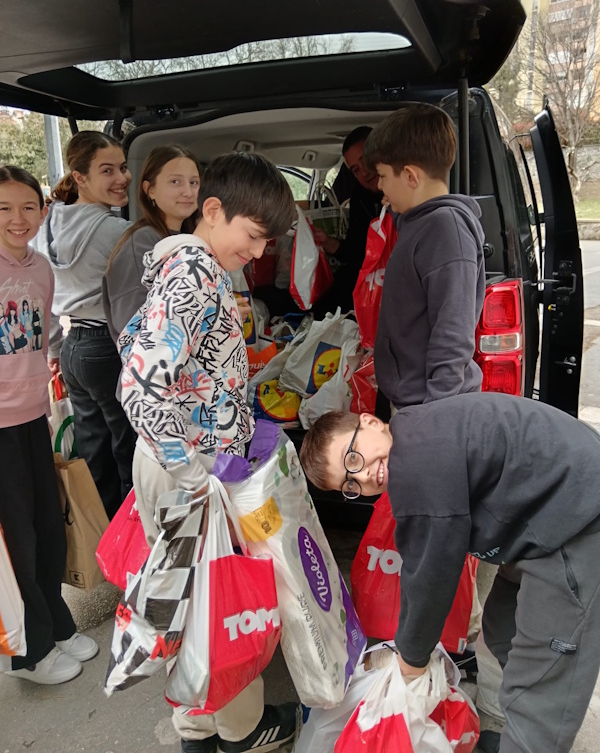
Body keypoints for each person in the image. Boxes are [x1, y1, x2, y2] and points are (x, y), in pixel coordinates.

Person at [119, 151, 300, 753]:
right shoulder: (194, 273)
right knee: (217, 601)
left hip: (186, 462)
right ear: (214, 210)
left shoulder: (189, 266)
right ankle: (239, 729)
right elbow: (139, 384)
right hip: (188, 470)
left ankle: (196, 727)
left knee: (190, 603)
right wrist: (191, 471)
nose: (258, 252)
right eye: (254, 236)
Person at [300, 394, 600, 753]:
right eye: (350, 484)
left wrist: (410, 662)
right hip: (542, 515)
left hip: (577, 518)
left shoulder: (417, 463)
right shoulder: (413, 437)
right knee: (502, 627)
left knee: (539, 687)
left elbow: (431, 577)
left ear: (371, 422)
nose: (363, 476)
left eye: (353, 458)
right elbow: (423, 561)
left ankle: (534, 727)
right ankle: (531, 716)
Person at [0, 165, 98, 685]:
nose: (17, 219)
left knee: (45, 530)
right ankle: (29, 652)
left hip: (33, 412)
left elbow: (42, 336)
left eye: (27, 207)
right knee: (15, 539)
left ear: (43, 212)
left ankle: (56, 623)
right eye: (3, 209)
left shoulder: (40, 267)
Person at [34, 130, 137, 518]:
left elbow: (43, 295)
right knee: (129, 444)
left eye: (123, 167)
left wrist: (54, 349)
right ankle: (132, 533)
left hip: (73, 346)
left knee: (94, 446)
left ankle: (100, 529)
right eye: (107, 170)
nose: (121, 178)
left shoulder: (46, 226)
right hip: (109, 346)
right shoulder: (117, 232)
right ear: (79, 177)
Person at [363, 104, 485, 409]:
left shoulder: (446, 230)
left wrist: (435, 415)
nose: (379, 186)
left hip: (431, 405)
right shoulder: (419, 223)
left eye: (382, 176)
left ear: (410, 176)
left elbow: (453, 332)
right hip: (412, 399)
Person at [103, 144, 201, 343]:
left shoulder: (189, 239)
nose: (188, 192)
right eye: (175, 182)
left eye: (194, 182)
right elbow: (132, 327)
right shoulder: (143, 242)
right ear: (150, 190)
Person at [311, 126, 382, 316]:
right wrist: (327, 242)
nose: (364, 172)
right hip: (364, 277)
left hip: (389, 281)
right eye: (356, 170)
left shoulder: (404, 196)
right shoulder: (360, 197)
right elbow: (355, 250)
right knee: (319, 309)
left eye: (366, 160)